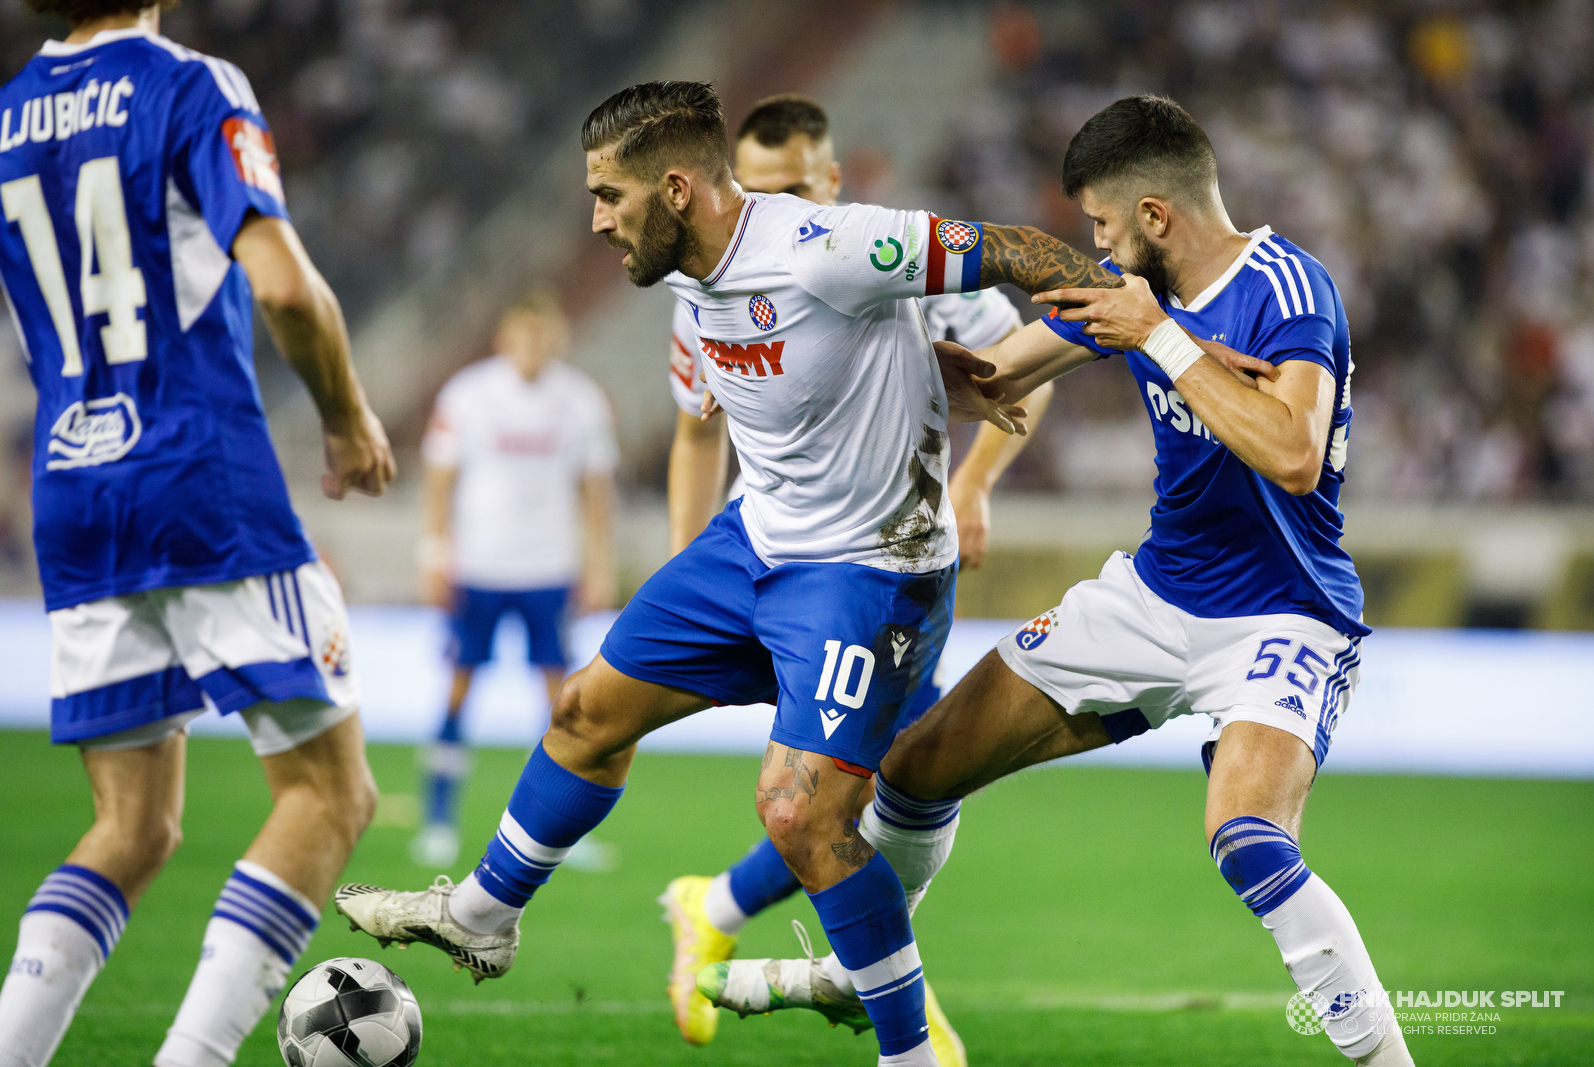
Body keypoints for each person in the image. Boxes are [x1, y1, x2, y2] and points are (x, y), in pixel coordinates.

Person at [335, 79, 1117, 1067]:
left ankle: (911, 1052)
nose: (594, 221)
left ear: (671, 190)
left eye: (607, 197)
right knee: (585, 710)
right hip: (747, 546)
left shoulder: (827, 250)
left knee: (805, 811)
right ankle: (482, 915)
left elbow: (1006, 248)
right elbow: (719, 420)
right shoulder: (679, 277)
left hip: (865, 571)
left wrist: (1108, 313)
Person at [737, 95, 1413, 1066]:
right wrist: (838, 360)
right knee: (916, 768)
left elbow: (1294, 452)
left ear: (1153, 216)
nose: (1089, 242)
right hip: (1151, 599)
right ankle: (863, 971)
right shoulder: (1126, 293)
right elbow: (995, 371)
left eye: (1099, 222)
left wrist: (1159, 336)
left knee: (1248, 835)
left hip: (1284, 614)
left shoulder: (1285, 286)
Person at [0, 3, 396, 1066]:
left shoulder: (9, 115)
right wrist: (348, 411)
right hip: (197, 474)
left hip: (75, 484)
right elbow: (281, 283)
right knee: (327, 789)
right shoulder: (192, 86)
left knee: (130, 829)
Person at [658, 93, 1050, 1058]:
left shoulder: (890, 256)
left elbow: (1015, 382)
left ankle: (720, 905)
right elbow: (693, 431)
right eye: (754, 188)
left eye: (792, 186)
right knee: (877, 781)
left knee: (884, 777)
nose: (770, 207)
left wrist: (973, 485)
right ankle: (900, 1016)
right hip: (805, 572)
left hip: (898, 556)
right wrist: (692, 567)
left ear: (831, 182)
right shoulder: (709, 276)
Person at [411, 291, 619, 869]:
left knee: (561, 704)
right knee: (458, 687)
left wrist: (598, 564)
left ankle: (560, 831)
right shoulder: (468, 395)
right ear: (505, 338)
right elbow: (439, 479)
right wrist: (434, 553)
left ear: (558, 338)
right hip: (477, 567)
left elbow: (596, 491)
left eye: (543, 335)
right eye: (523, 335)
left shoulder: (581, 402)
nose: (533, 347)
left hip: (549, 569)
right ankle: (437, 821)